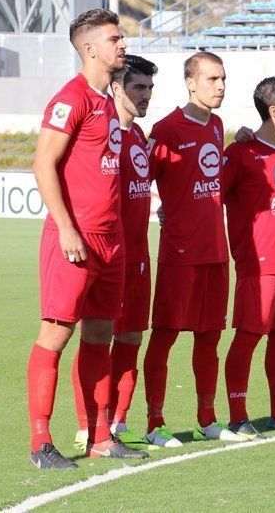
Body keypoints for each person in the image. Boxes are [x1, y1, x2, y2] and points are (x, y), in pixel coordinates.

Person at [28, 8, 147, 468]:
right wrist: (65, 227)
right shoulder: (71, 97)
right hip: (75, 240)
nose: (123, 44)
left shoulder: (106, 102)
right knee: (56, 335)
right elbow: (43, 165)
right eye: (115, 38)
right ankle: (40, 442)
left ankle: (99, 435)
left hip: (111, 242)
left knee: (100, 336)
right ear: (90, 48)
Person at [143, 52, 235, 447]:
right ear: (190, 82)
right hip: (180, 252)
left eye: (223, 79)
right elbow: (136, 177)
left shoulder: (216, 125)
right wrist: (168, 209)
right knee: (164, 336)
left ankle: (207, 419)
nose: (220, 86)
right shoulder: (165, 130)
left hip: (216, 250)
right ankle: (154, 423)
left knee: (209, 338)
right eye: (212, 79)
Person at [73, 54, 159, 451]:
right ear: (117, 88)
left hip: (140, 257)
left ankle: (119, 422)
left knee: (130, 339)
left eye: (150, 87)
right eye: (139, 87)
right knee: (99, 338)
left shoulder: (140, 137)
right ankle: (89, 423)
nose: (147, 95)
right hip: (111, 255)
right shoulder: (107, 136)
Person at [220, 77, 275, 437]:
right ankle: (238, 416)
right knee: (249, 337)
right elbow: (212, 197)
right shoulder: (239, 153)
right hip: (259, 263)